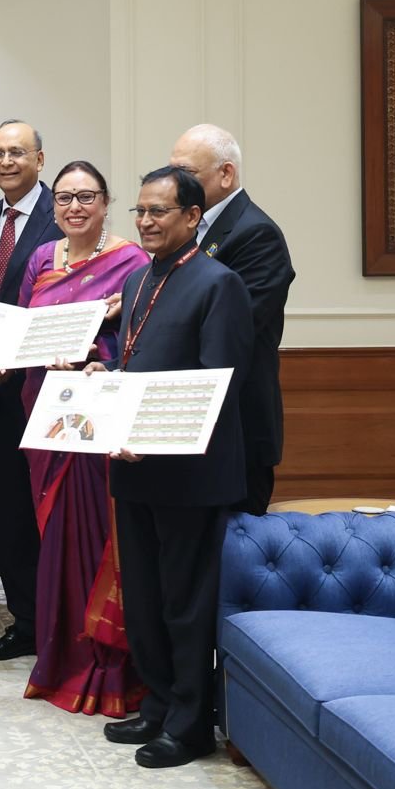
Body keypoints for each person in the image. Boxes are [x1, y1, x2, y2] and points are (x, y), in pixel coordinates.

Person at [92, 165, 253, 768]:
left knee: (185, 602)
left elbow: (217, 388)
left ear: (191, 217)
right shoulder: (137, 282)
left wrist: (153, 437)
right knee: (145, 595)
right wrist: (104, 381)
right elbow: (138, 365)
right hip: (132, 465)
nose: (146, 222)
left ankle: (190, 725)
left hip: (188, 473)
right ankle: (158, 704)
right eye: (140, 212)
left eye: (159, 212)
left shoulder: (219, 283)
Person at [7, 160, 150, 715]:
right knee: (57, 539)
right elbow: (23, 328)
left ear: (106, 202)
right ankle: (59, 659)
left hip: (96, 417)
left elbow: (140, 344)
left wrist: (98, 354)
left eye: (85, 197)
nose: (73, 208)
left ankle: (109, 666)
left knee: (97, 542)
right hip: (45, 412)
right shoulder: (44, 258)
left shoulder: (131, 261)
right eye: (64, 198)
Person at [168, 124, 295, 515]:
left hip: (236, 428)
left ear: (226, 174)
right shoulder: (189, 229)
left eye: (186, 174)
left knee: (233, 561)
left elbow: (230, 328)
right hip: (192, 426)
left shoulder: (256, 234)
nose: (174, 184)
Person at [0, 118, 63, 662]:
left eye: (18, 153)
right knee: (11, 510)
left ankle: (62, 625)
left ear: (40, 159)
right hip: (3, 395)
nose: (6, 162)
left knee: (52, 509)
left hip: (51, 388)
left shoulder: (66, 215)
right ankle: (24, 621)